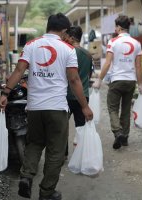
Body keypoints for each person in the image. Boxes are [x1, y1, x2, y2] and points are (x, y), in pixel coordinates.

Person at [0, 13, 93, 200]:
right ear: (65, 31)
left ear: (48, 26)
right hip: (57, 108)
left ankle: (26, 177)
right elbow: (74, 79)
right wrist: (84, 106)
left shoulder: (31, 45)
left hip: (34, 108)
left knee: (34, 144)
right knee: (55, 151)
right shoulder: (68, 49)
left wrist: (5, 93)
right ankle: (46, 192)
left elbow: (19, 70)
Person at [93, 15, 142, 149]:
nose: (115, 29)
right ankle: (125, 138)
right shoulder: (136, 43)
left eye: (116, 27)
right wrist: (140, 84)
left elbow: (108, 63)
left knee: (112, 108)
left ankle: (118, 133)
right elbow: (138, 66)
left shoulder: (113, 42)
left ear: (119, 27)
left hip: (116, 80)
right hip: (130, 81)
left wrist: (99, 79)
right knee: (126, 109)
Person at [63, 26, 93, 158]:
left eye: (66, 36)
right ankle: (80, 156)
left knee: (62, 128)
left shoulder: (67, 52)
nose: (64, 39)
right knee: (80, 127)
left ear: (71, 37)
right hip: (83, 96)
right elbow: (89, 75)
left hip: (66, 95)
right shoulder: (87, 54)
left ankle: (63, 155)